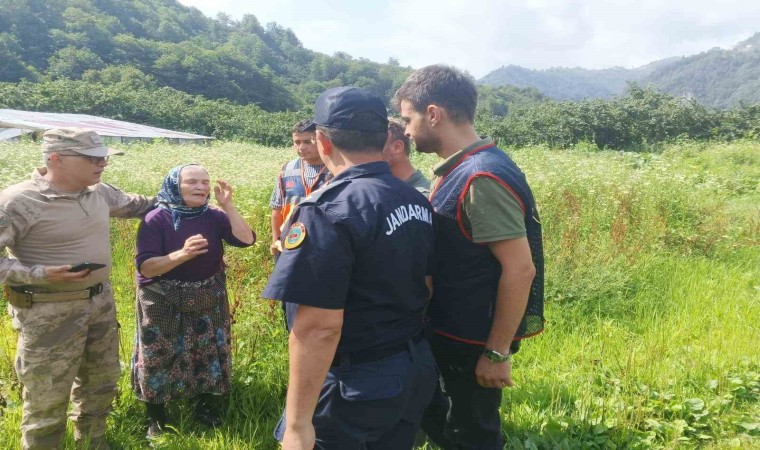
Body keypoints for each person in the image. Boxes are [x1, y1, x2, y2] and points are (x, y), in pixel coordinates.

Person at [263, 86, 438, 450]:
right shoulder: (413, 196)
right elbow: (427, 283)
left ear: (323, 142)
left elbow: (318, 328)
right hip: (410, 367)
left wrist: (296, 426)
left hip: (355, 387)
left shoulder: (326, 210)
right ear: (384, 139)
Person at [395, 65, 545, 449]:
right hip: (449, 330)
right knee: (445, 418)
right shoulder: (459, 168)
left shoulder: (480, 178)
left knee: (473, 432)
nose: (406, 131)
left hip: (471, 338)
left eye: (408, 118)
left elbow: (519, 269)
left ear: (433, 114)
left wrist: (496, 353)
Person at [0, 128, 155, 450]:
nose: (102, 164)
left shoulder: (99, 192)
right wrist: (40, 273)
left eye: (103, 158)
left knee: (101, 382)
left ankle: (93, 443)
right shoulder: (18, 201)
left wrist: (190, 193)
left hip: (99, 303)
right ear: (56, 159)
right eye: (91, 158)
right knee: (47, 396)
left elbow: (143, 205)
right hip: (47, 313)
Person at [131, 164, 255, 439]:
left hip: (207, 294)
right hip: (161, 296)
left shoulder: (213, 216)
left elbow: (247, 240)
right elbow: (147, 268)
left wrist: (228, 206)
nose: (201, 187)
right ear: (176, 185)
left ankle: (203, 407)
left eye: (205, 182)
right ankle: (157, 418)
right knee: (158, 353)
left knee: (206, 348)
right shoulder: (156, 218)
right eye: (192, 182)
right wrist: (183, 255)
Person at [269, 120, 331, 255]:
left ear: (321, 141)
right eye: (297, 142)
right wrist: (275, 240)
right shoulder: (287, 169)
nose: (301, 147)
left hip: (322, 244)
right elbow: (277, 209)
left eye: (308, 142)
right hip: (288, 243)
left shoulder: (335, 169)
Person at [383, 118, 431, 196]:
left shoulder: (423, 195)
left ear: (397, 147)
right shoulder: (382, 188)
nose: (370, 151)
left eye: (378, 144)